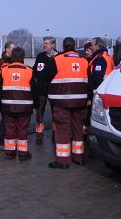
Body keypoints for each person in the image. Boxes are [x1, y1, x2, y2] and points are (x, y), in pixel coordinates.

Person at [47, 37, 89, 169]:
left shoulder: (56, 60)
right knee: (78, 130)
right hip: (81, 102)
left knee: (62, 130)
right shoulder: (84, 62)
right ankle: (78, 157)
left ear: (64, 46)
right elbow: (90, 82)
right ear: (75, 47)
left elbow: (45, 77)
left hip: (62, 102)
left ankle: (63, 161)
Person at [0, 47, 37, 161]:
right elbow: (34, 91)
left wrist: (0, 106)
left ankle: (10, 153)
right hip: (24, 109)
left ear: (12, 56)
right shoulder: (29, 71)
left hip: (8, 108)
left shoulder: (4, 70)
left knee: (9, 131)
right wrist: (35, 105)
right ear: (23, 57)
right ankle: (23, 155)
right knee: (22, 132)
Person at [32, 36, 57, 145]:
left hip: (54, 90)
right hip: (41, 90)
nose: (44, 45)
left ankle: (55, 134)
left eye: (46, 43)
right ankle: (39, 135)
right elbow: (35, 70)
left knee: (55, 113)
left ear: (53, 45)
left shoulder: (58, 57)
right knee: (39, 112)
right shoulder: (40, 56)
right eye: (44, 43)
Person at [0, 41, 15, 151]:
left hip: (12, 96)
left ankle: (8, 140)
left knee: (9, 118)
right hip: (3, 97)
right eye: (12, 48)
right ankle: (1, 142)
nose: (14, 50)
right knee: (6, 118)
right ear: (7, 49)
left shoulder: (13, 62)